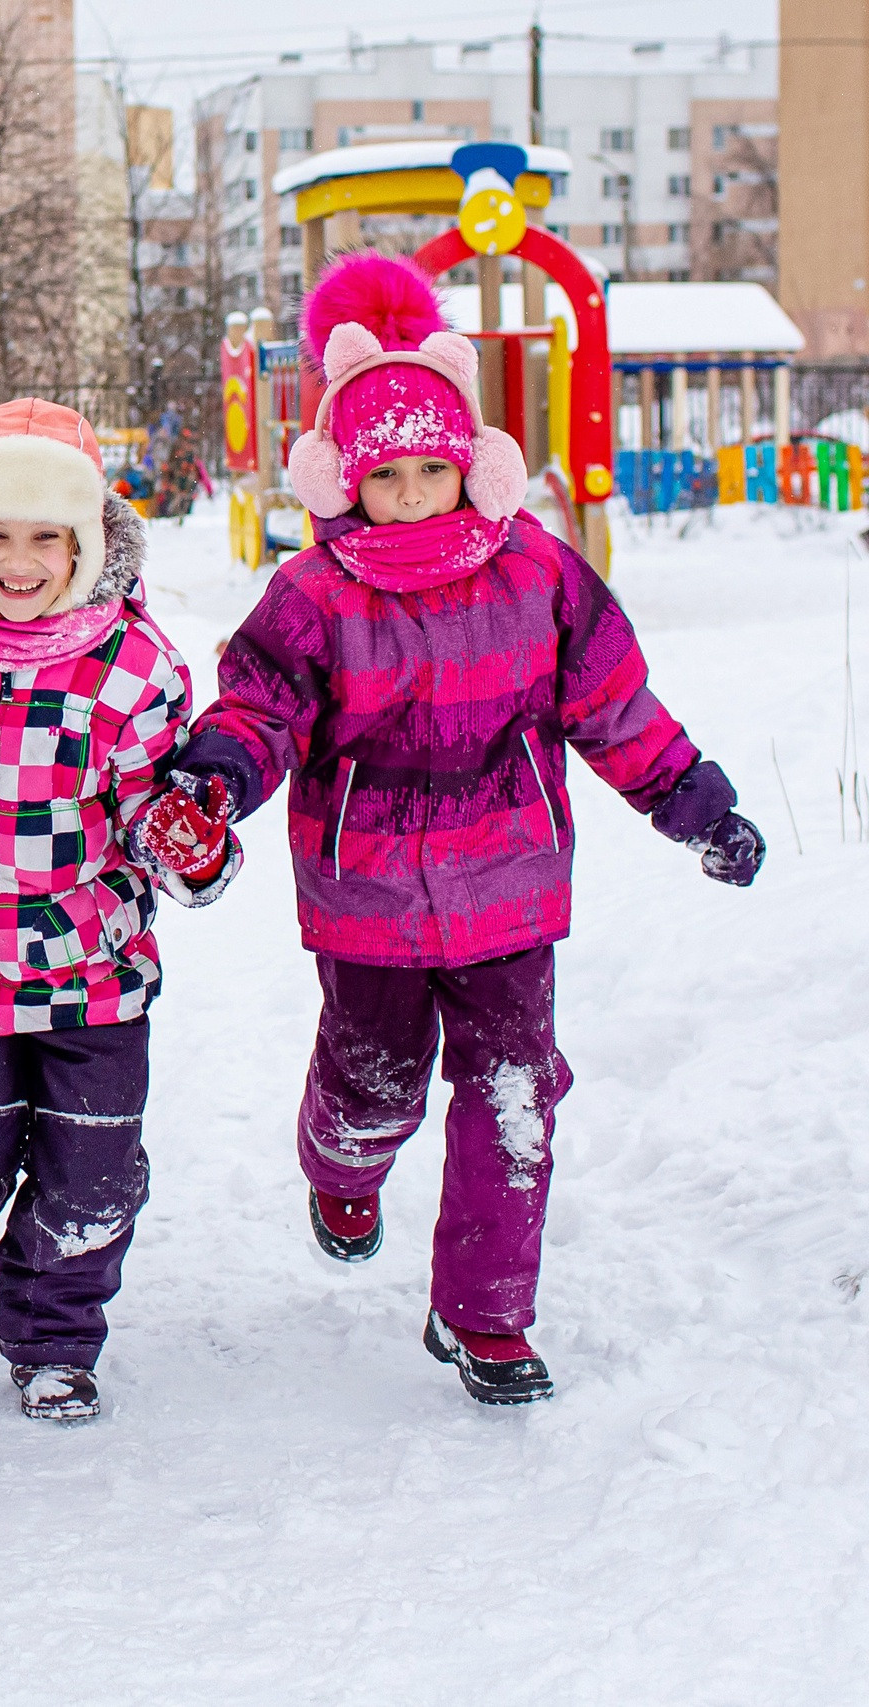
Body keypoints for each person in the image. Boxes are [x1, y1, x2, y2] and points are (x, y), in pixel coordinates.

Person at [165, 251, 766, 1406]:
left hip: (508, 892)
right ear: (346, 479)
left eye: (433, 471)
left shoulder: (536, 572)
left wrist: (694, 802)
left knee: (513, 1099)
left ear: (471, 469)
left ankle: (483, 1317)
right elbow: (257, 708)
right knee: (374, 1089)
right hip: (368, 901)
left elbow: (613, 705)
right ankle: (338, 1164)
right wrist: (213, 779)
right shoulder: (316, 593)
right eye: (386, 478)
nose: (411, 497)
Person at [0, 400, 237, 1422]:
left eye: (46, 539)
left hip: (90, 967)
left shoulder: (131, 666)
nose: (19, 563)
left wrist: (185, 839)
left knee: (91, 1179)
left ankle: (56, 1343)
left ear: (87, 542)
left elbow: (154, 799)